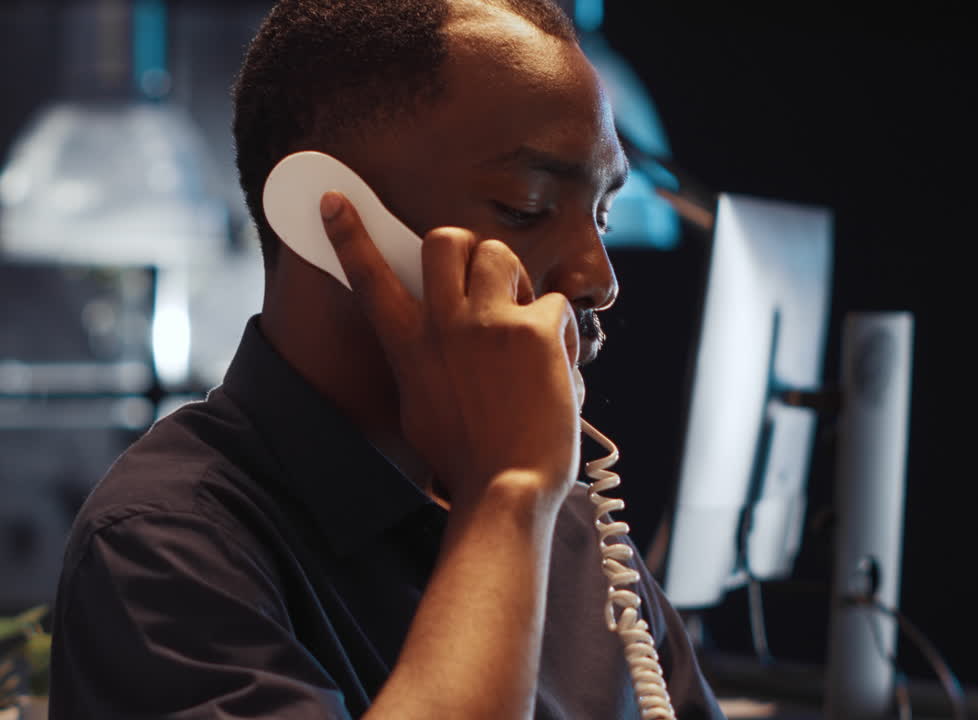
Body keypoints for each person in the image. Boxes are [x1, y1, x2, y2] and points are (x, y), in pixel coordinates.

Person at [48, 1, 725, 717]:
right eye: (525, 206)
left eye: (603, 216)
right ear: (324, 214)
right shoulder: (164, 547)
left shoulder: (578, 535)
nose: (600, 278)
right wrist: (507, 495)